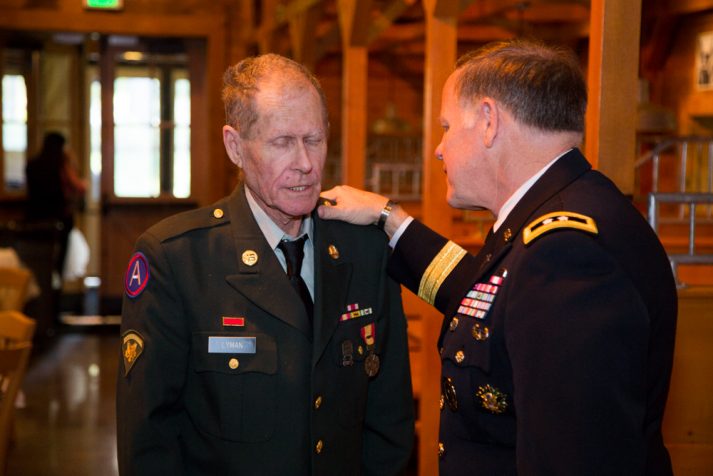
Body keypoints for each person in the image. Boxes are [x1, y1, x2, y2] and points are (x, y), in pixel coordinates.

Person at [318, 39, 677, 475]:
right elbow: (487, 305)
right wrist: (389, 219)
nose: (438, 148)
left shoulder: (567, 251)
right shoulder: (560, 212)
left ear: (488, 121)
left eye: (447, 126)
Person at [116, 54, 414, 476]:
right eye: (282, 142)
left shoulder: (363, 250)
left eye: (314, 139)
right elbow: (149, 440)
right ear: (235, 146)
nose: (306, 164)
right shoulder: (176, 259)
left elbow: (390, 423)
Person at [25, 131, 86, 277]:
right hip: (59, 221)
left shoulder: (32, 165)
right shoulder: (61, 167)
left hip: (36, 220)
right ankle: (55, 294)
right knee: (58, 265)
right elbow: (79, 187)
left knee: (38, 263)